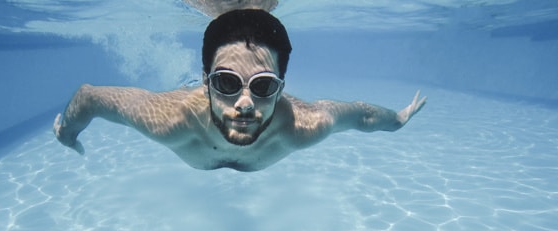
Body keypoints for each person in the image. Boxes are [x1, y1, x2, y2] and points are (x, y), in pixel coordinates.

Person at [53, 9, 426, 172]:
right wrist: (67, 132)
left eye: (263, 86)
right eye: (226, 83)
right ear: (207, 82)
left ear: (281, 89)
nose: (245, 103)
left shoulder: (304, 125)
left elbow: (361, 116)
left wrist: (398, 119)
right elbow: (90, 96)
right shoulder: (168, 120)